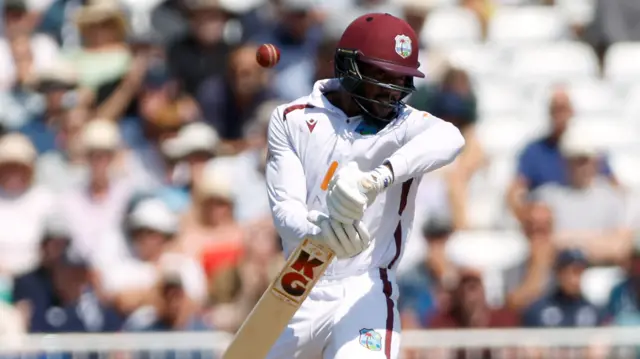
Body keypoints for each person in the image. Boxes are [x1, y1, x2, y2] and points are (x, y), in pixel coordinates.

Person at [264, 12, 465, 359]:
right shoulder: (291, 119)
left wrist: (379, 178)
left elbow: (451, 138)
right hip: (300, 275)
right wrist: (323, 232)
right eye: (380, 76)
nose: (390, 92)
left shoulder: (405, 125)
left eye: (400, 80)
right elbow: (285, 212)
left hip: (366, 284)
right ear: (347, 66)